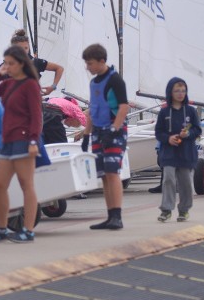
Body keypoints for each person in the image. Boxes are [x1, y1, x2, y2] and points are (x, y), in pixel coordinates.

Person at [0, 45, 43, 243]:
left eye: (11, 63)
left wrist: (33, 140)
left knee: (26, 184)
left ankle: (28, 229)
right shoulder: (8, 84)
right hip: (7, 140)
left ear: (22, 64)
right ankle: (1, 228)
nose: (8, 66)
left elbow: (36, 115)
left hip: (24, 140)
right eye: (6, 63)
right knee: (0, 184)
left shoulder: (31, 85)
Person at [74, 44, 129, 230]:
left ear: (101, 61)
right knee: (103, 174)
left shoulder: (115, 80)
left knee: (113, 172)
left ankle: (117, 216)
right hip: (97, 131)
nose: (87, 67)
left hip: (114, 130)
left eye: (90, 63)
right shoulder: (94, 83)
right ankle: (110, 215)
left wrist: (114, 129)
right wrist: (86, 135)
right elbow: (93, 110)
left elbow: (123, 107)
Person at [155, 78, 202, 223]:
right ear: (170, 92)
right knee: (168, 178)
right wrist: (168, 139)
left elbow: (197, 129)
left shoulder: (191, 111)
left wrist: (188, 134)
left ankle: (184, 209)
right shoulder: (164, 112)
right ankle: (166, 209)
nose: (180, 94)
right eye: (177, 91)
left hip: (186, 153)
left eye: (183, 91)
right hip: (169, 152)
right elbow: (159, 132)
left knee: (185, 181)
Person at [10, 29, 64, 95]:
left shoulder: (35, 62)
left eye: (26, 48)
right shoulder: (7, 65)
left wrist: (53, 86)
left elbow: (59, 69)